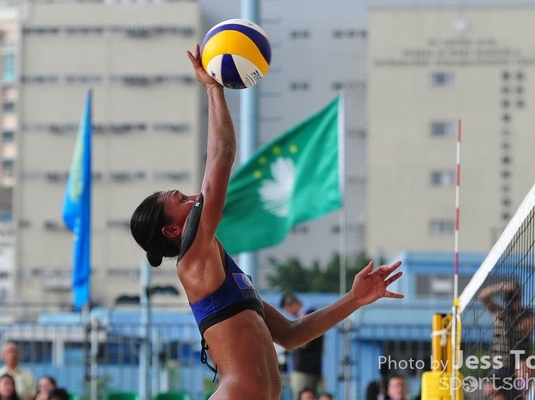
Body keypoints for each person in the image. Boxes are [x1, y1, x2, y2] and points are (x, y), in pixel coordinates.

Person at [129, 43, 405, 400]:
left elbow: (292, 335)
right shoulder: (192, 259)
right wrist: (213, 88)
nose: (194, 197)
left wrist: (354, 299)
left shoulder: (226, 273)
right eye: (181, 199)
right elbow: (222, 153)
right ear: (171, 230)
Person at [477, 281, 534, 381]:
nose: (513, 301)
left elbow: (527, 332)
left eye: (515, 297)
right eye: (510, 297)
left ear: (520, 298)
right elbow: (482, 297)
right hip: (499, 364)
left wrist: (514, 316)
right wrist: (501, 286)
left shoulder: (527, 314)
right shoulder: (500, 312)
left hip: (519, 366)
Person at [280, 293, 323, 399]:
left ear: (292, 304)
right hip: (314, 367)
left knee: (300, 396)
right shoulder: (314, 314)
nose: (290, 313)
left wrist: (286, 342)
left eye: (288, 310)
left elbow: (303, 342)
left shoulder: (305, 316)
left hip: (303, 369)